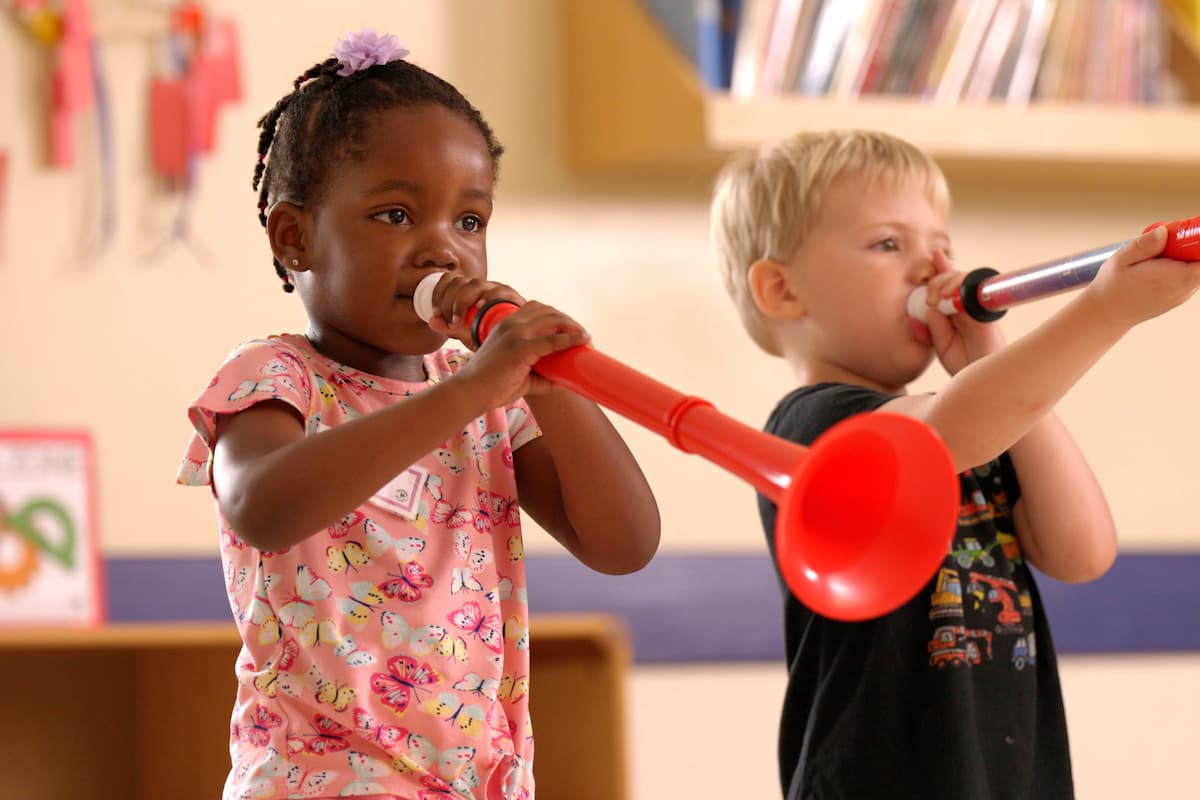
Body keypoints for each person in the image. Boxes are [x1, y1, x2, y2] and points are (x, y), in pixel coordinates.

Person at [176, 29, 660, 800]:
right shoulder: (276, 379)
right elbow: (262, 506)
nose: (444, 250)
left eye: (470, 222)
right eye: (397, 216)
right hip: (322, 781)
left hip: (476, 783)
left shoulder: (486, 393)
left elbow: (624, 543)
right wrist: (467, 393)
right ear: (295, 237)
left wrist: (554, 387)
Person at [710, 129, 1200, 799]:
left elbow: (1082, 551)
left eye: (942, 245)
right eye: (890, 244)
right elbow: (940, 436)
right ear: (782, 290)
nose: (931, 268)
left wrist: (990, 363)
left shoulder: (973, 420)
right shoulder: (816, 426)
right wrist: (1105, 311)